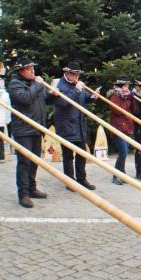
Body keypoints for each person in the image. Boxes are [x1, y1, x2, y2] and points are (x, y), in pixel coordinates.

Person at [8, 57, 59, 208]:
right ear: (21, 70)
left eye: (33, 68)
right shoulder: (14, 84)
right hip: (23, 129)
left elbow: (44, 100)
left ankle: (32, 188)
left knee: (35, 160)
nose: (33, 71)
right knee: (24, 162)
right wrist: (37, 85)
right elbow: (25, 99)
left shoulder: (35, 84)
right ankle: (23, 194)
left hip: (37, 128)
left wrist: (52, 96)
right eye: (29, 69)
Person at [53, 61, 97, 190]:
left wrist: (92, 97)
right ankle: (70, 181)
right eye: (75, 75)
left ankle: (82, 179)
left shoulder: (77, 85)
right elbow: (63, 103)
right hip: (66, 125)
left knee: (82, 154)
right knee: (68, 156)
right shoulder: (59, 84)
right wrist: (77, 90)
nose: (77, 77)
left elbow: (83, 98)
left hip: (79, 125)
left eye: (78, 75)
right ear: (68, 73)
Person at [108, 76, 134, 185]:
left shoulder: (126, 96)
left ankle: (122, 174)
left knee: (125, 152)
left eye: (127, 86)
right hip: (118, 127)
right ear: (120, 86)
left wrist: (132, 100)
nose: (127, 88)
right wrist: (128, 100)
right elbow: (119, 111)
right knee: (123, 152)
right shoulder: (114, 96)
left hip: (127, 127)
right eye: (125, 86)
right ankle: (115, 176)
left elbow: (132, 110)